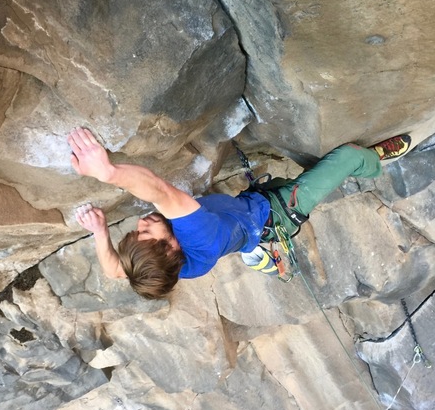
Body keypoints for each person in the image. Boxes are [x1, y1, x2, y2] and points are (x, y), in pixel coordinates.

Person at [68, 128, 412, 299]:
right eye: (146, 234)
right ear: (172, 249)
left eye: (137, 231)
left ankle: (253, 252)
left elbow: (117, 271)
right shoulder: (198, 237)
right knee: (347, 157)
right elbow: (158, 190)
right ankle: (376, 162)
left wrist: (99, 231)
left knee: (245, 232)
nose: (142, 223)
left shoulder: (164, 272)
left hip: (243, 217)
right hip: (277, 211)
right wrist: (108, 172)